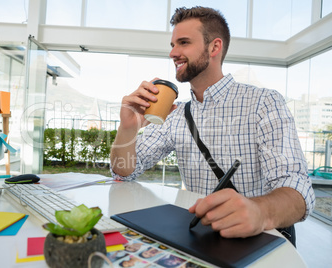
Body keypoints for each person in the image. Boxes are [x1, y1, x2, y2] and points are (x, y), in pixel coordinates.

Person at [110, 6, 315, 245]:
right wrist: (128, 128)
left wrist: (259, 212)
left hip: (259, 240)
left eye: (184, 42)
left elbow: (298, 190)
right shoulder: (176, 114)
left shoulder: (263, 103)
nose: (173, 53)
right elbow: (124, 171)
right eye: (172, 45)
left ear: (214, 47)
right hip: (202, 238)